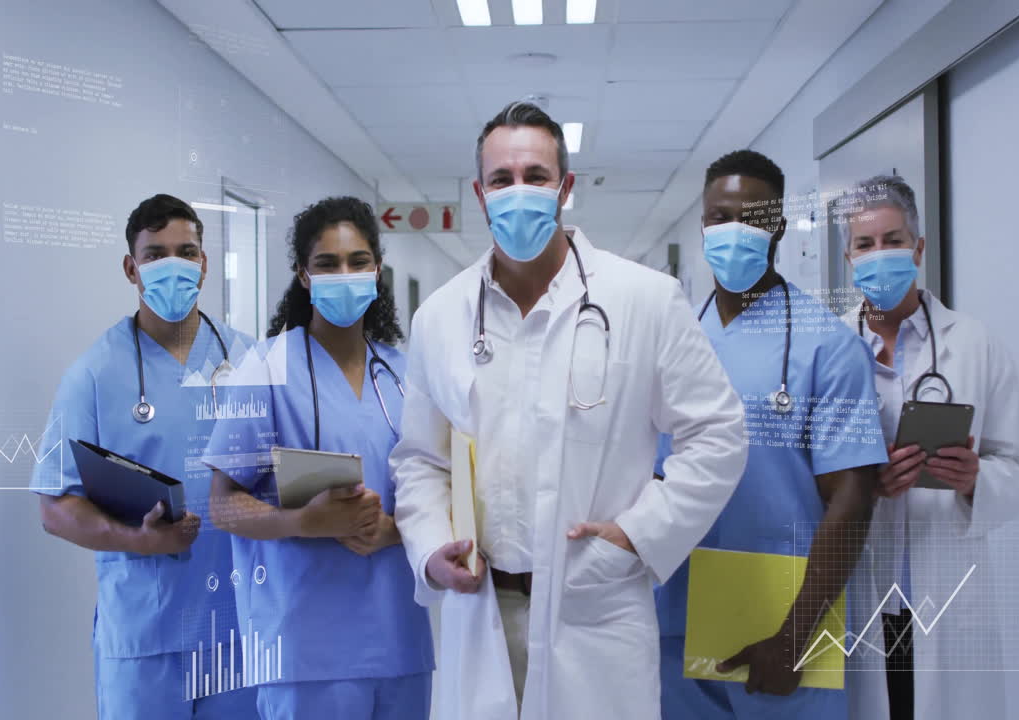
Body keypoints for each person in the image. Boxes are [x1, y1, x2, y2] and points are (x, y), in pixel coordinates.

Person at [389, 101, 749, 720]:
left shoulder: (644, 300)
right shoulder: (440, 318)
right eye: (502, 179)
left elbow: (718, 436)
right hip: (483, 607)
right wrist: (430, 546)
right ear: (480, 193)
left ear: (566, 188)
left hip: (595, 604)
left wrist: (636, 536)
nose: (518, 192)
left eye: (536, 175)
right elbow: (421, 459)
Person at [653, 150, 887, 720]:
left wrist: (796, 634)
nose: (733, 232)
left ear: (778, 225)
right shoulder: (671, 339)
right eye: (718, 217)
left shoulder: (828, 346)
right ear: (703, 225)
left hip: (787, 625)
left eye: (752, 217)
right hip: (676, 620)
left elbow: (852, 496)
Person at [204, 196, 434, 720]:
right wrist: (304, 521)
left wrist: (394, 529)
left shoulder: (405, 374)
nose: (344, 275)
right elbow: (223, 506)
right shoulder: (263, 368)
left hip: (398, 641)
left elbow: (438, 488)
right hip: (301, 648)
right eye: (327, 264)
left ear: (377, 271)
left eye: (357, 262)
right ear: (304, 276)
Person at [32, 194, 258, 719]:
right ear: (131, 268)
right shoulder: (92, 374)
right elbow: (55, 507)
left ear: (204, 263)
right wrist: (137, 538)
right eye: (156, 254)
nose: (173, 265)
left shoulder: (250, 361)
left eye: (186, 251)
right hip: (146, 634)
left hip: (240, 628)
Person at [837, 175, 1019, 720]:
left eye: (894, 240)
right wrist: (862, 487)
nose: (880, 255)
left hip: (946, 596)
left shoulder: (974, 343)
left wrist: (976, 480)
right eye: (865, 244)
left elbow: (1018, 468)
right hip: (862, 593)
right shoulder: (830, 350)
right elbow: (806, 475)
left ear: (919, 249)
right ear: (848, 257)